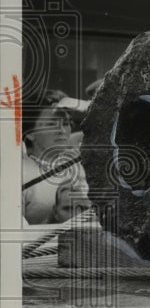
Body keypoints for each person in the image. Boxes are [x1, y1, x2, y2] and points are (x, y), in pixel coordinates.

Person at [22, 90, 90, 225]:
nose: (62, 131)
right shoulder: (20, 174)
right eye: (51, 124)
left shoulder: (82, 165)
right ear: (30, 134)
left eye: (65, 123)